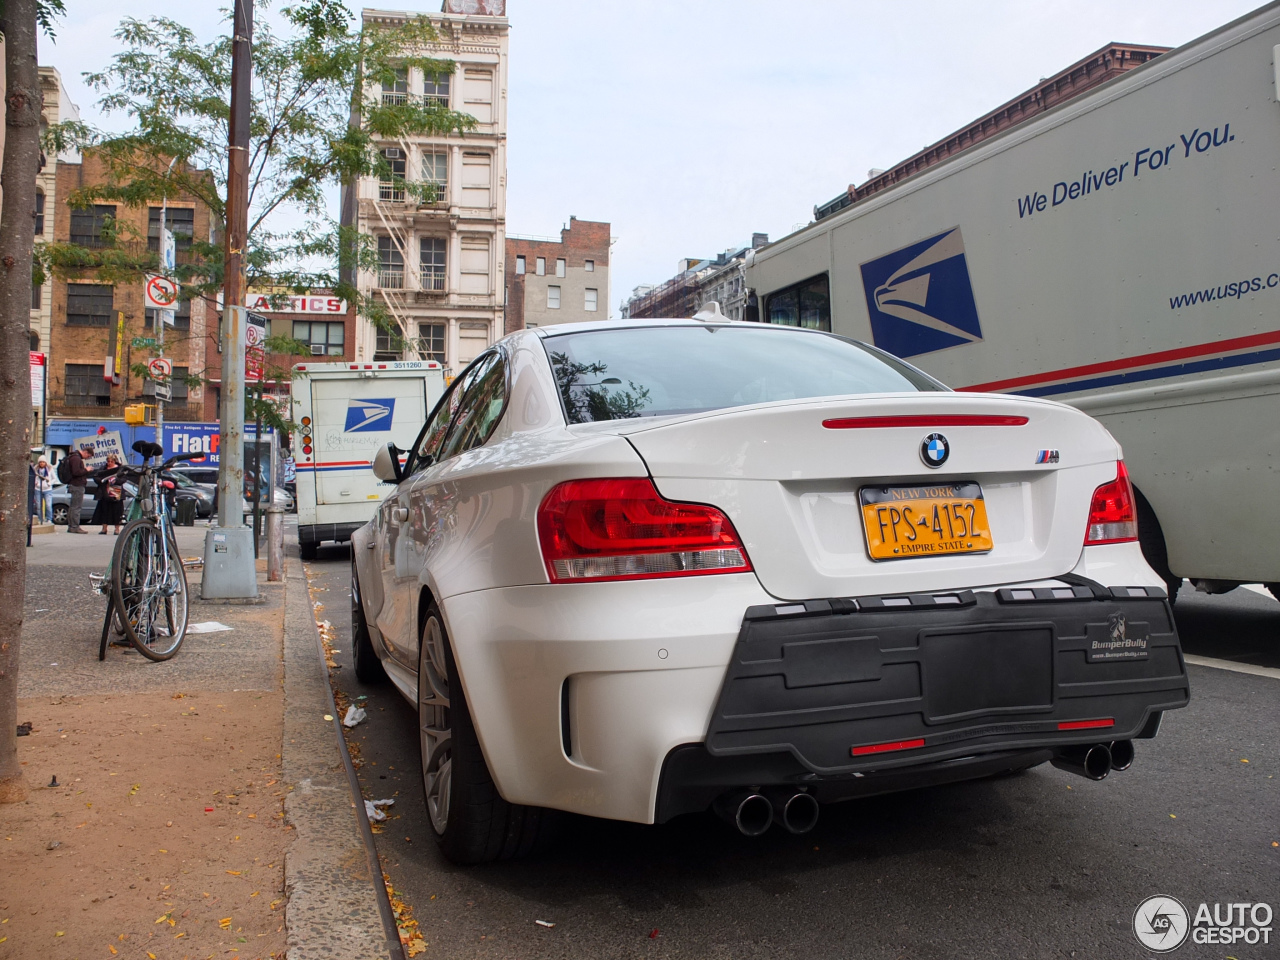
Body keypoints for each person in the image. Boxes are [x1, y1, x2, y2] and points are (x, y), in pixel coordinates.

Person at [90, 453, 125, 535]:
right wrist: (103, 480)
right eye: (108, 461)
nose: (109, 463)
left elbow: (124, 479)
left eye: (111, 461)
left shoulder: (120, 469)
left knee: (117, 511)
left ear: (115, 461)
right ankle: (104, 528)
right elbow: (96, 477)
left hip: (116, 491)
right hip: (104, 491)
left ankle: (117, 529)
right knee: (104, 510)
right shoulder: (103, 468)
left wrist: (115, 481)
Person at [65, 444, 92, 534]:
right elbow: (76, 472)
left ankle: (71, 526)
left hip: (73, 484)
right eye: (88, 456)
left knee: (73, 507)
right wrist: (86, 470)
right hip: (77, 485)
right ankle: (75, 526)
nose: (87, 458)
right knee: (76, 507)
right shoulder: (76, 458)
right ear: (85, 452)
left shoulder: (72, 457)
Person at [33, 455, 54, 524]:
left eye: (43, 462)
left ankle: (49, 518)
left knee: (48, 505)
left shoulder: (50, 469)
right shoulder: (35, 469)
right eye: (40, 462)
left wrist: (50, 483)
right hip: (38, 489)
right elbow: (34, 477)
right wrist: (35, 483)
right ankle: (40, 518)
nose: (42, 463)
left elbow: (54, 478)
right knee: (38, 505)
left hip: (47, 489)